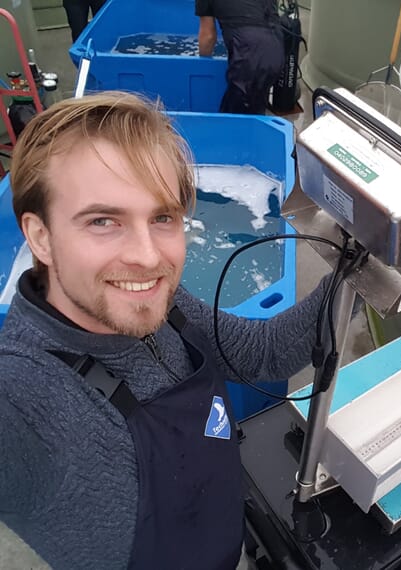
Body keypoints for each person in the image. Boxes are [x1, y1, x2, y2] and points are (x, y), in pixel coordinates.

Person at [0, 91, 327, 569]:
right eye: (103, 220)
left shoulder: (165, 304)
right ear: (40, 236)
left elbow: (263, 353)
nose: (149, 257)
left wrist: (358, 270)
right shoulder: (24, 395)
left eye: (162, 218)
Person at [195, 0, 284, 114]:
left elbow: (208, 36)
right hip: (276, 50)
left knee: (231, 122)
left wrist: (202, 62)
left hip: (249, 59)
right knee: (255, 111)